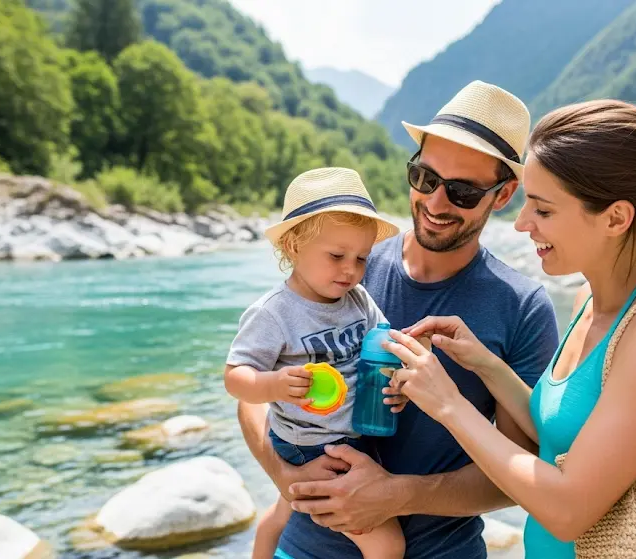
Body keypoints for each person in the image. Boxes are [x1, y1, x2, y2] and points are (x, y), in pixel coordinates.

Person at [236, 81, 560, 559]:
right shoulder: (344, 266)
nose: (434, 203)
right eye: (425, 178)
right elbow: (254, 392)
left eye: (463, 191)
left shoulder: (522, 306)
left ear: (505, 194)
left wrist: (401, 493)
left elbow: (520, 476)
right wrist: (286, 477)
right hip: (304, 546)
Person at [387, 99, 636, 558]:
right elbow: (557, 437)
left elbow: (566, 510)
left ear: (616, 218)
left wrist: (447, 404)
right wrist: (486, 365)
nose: (522, 225)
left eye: (542, 210)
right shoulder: (594, 303)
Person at [224, 167, 407, 559]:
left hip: (350, 433)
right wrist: (272, 385)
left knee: (282, 512)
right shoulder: (275, 313)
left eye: (361, 258)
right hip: (311, 444)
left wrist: (398, 379)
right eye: (337, 255)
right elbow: (235, 379)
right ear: (293, 245)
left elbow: (384, 341)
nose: (351, 269)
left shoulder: (358, 299)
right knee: (388, 544)